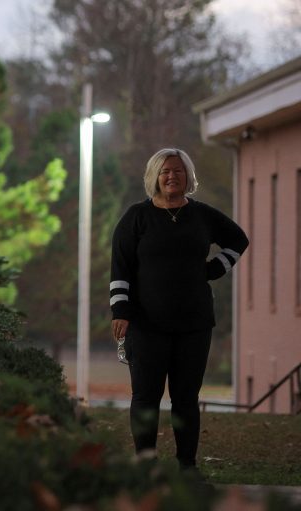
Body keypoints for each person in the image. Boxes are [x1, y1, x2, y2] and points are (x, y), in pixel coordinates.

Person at [109, 148, 249, 472]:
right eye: (165, 171)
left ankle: (187, 465)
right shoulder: (136, 218)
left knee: (186, 398)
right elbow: (121, 267)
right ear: (154, 177)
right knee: (145, 396)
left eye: (178, 170)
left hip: (194, 325)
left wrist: (215, 268)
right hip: (146, 325)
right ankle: (145, 463)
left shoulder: (202, 216)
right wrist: (121, 310)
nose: (172, 176)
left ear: (188, 176)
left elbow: (238, 240)